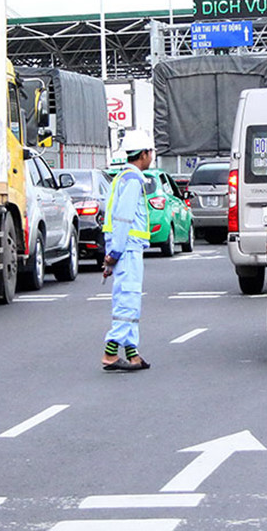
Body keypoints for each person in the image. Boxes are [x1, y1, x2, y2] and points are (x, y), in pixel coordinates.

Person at [100, 130, 155, 371]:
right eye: (150, 152)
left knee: (127, 299)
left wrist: (112, 254)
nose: (151, 156)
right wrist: (115, 253)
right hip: (128, 249)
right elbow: (123, 219)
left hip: (125, 248)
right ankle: (111, 353)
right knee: (128, 302)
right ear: (143, 154)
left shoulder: (120, 178)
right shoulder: (133, 181)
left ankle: (132, 353)